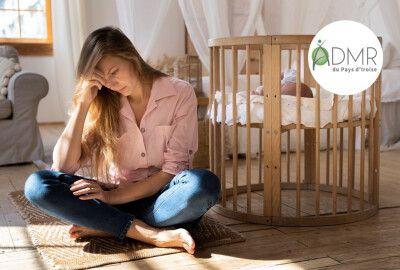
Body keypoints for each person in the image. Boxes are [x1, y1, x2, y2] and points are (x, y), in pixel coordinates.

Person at [24, 26, 220, 255]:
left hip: (165, 199)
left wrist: (108, 198)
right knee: (38, 185)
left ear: (131, 55)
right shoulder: (103, 102)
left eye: (114, 71)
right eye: (102, 77)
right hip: (119, 195)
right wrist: (83, 104)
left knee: (204, 185)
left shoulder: (180, 93)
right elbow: (64, 166)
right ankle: (149, 233)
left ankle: (107, 225)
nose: (110, 83)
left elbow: (172, 171)